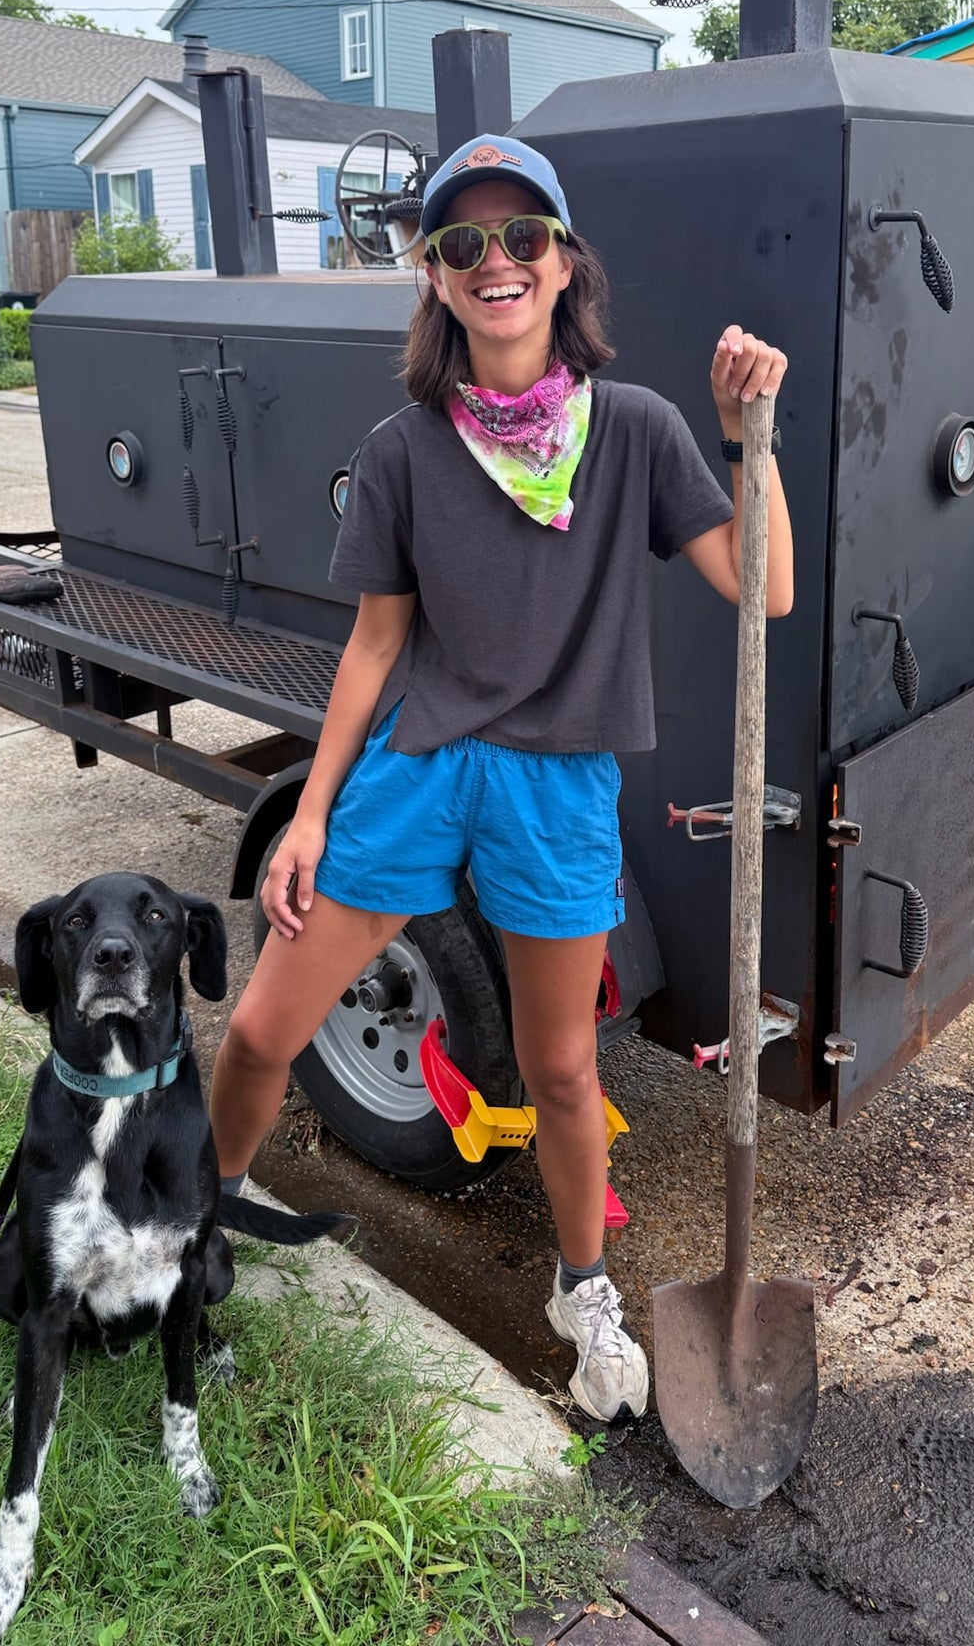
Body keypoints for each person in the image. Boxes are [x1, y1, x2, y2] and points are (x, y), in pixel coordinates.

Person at [209, 135, 792, 1423]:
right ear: (433, 278)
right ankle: (210, 1218)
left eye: (523, 236)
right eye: (464, 244)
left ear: (563, 261)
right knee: (258, 1029)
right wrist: (308, 814)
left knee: (562, 1070)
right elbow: (372, 648)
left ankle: (585, 1297)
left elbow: (767, 587)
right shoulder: (404, 451)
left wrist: (751, 439)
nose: (498, 262)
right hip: (423, 763)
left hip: (558, 784)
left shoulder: (633, 430)